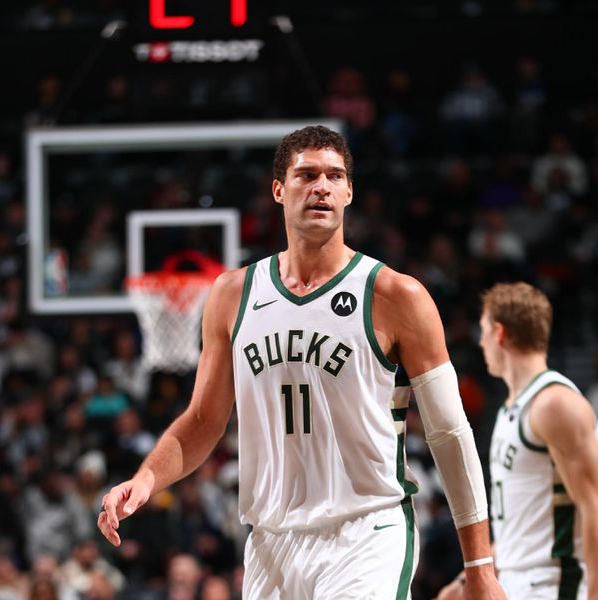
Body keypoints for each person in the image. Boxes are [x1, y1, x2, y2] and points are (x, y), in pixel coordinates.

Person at [98, 125, 505, 598]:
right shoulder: (233, 294)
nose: (321, 187)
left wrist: (479, 565)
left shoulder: (396, 295)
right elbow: (204, 420)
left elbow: (449, 433)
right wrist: (146, 478)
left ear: (349, 191)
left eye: (334, 176)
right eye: (306, 175)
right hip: (271, 543)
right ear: (278, 190)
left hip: (366, 533)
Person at [437, 282, 598, 600]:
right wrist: (465, 582)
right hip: (517, 585)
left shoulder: (555, 404)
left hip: (554, 587)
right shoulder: (511, 410)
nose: (480, 342)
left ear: (500, 334)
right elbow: (517, 531)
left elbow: (597, 511)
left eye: (483, 331)